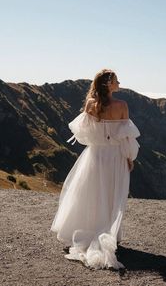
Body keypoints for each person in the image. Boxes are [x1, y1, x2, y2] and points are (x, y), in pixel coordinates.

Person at [50, 69, 140, 270]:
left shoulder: (91, 104)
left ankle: (90, 229)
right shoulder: (122, 106)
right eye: (116, 80)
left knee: (91, 194)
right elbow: (127, 137)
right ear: (108, 84)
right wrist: (129, 158)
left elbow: (83, 134)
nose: (119, 83)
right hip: (115, 156)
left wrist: (99, 142)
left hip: (95, 155)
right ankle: (109, 233)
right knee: (113, 195)